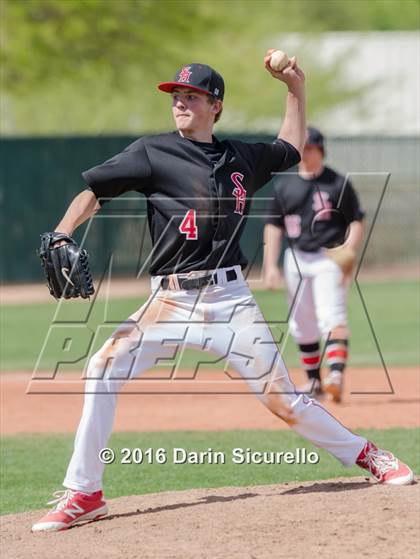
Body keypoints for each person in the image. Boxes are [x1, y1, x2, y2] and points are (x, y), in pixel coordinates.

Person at [32, 53, 413, 533]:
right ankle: (84, 493)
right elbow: (95, 191)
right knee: (101, 367)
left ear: (216, 106)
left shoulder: (240, 159)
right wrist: (64, 231)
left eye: (192, 96)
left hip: (231, 302)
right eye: (177, 96)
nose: (181, 102)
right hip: (169, 302)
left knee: (286, 401)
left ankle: (368, 454)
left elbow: (289, 147)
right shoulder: (152, 152)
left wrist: (295, 88)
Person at [263, 127, 365, 402]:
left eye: (310, 148)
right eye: (302, 148)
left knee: (332, 316)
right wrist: (270, 266)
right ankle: (314, 382)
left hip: (329, 258)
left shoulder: (336, 183)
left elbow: (356, 218)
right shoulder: (285, 186)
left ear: (321, 150)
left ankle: (336, 375)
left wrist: (349, 249)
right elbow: (274, 226)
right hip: (296, 259)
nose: (305, 153)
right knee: (302, 323)